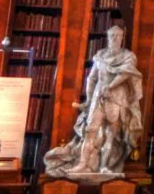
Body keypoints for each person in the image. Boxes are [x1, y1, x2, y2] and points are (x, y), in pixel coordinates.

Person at [43, 20, 145, 183]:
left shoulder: (128, 56)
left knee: (111, 134)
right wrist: (89, 99)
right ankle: (82, 164)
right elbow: (92, 78)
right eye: (111, 35)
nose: (114, 38)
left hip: (117, 98)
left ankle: (105, 166)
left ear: (122, 38)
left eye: (117, 36)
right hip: (98, 97)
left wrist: (110, 87)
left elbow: (125, 74)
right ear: (107, 37)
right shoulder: (100, 56)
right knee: (90, 130)